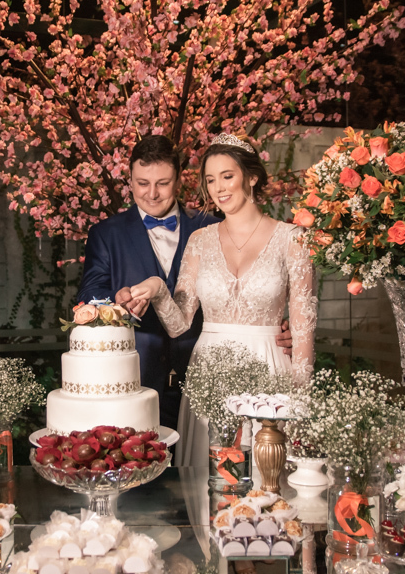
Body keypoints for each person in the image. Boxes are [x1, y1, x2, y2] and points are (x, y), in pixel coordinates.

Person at [77, 134, 292, 430]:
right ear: (129, 179)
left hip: (208, 375)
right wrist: (117, 301)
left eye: (163, 183)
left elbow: (250, 284)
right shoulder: (106, 233)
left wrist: (279, 325)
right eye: (142, 183)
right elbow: (91, 292)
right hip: (138, 380)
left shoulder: (212, 226)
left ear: (179, 181)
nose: (152, 193)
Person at [129, 132, 317, 466]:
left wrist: (301, 401)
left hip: (270, 369)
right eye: (211, 180)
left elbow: (304, 329)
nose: (219, 188)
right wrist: (159, 288)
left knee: (267, 480)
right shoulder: (200, 241)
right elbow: (179, 325)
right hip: (208, 373)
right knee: (210, 484)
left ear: (252, 177)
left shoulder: (294, 240)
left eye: (227, 176)